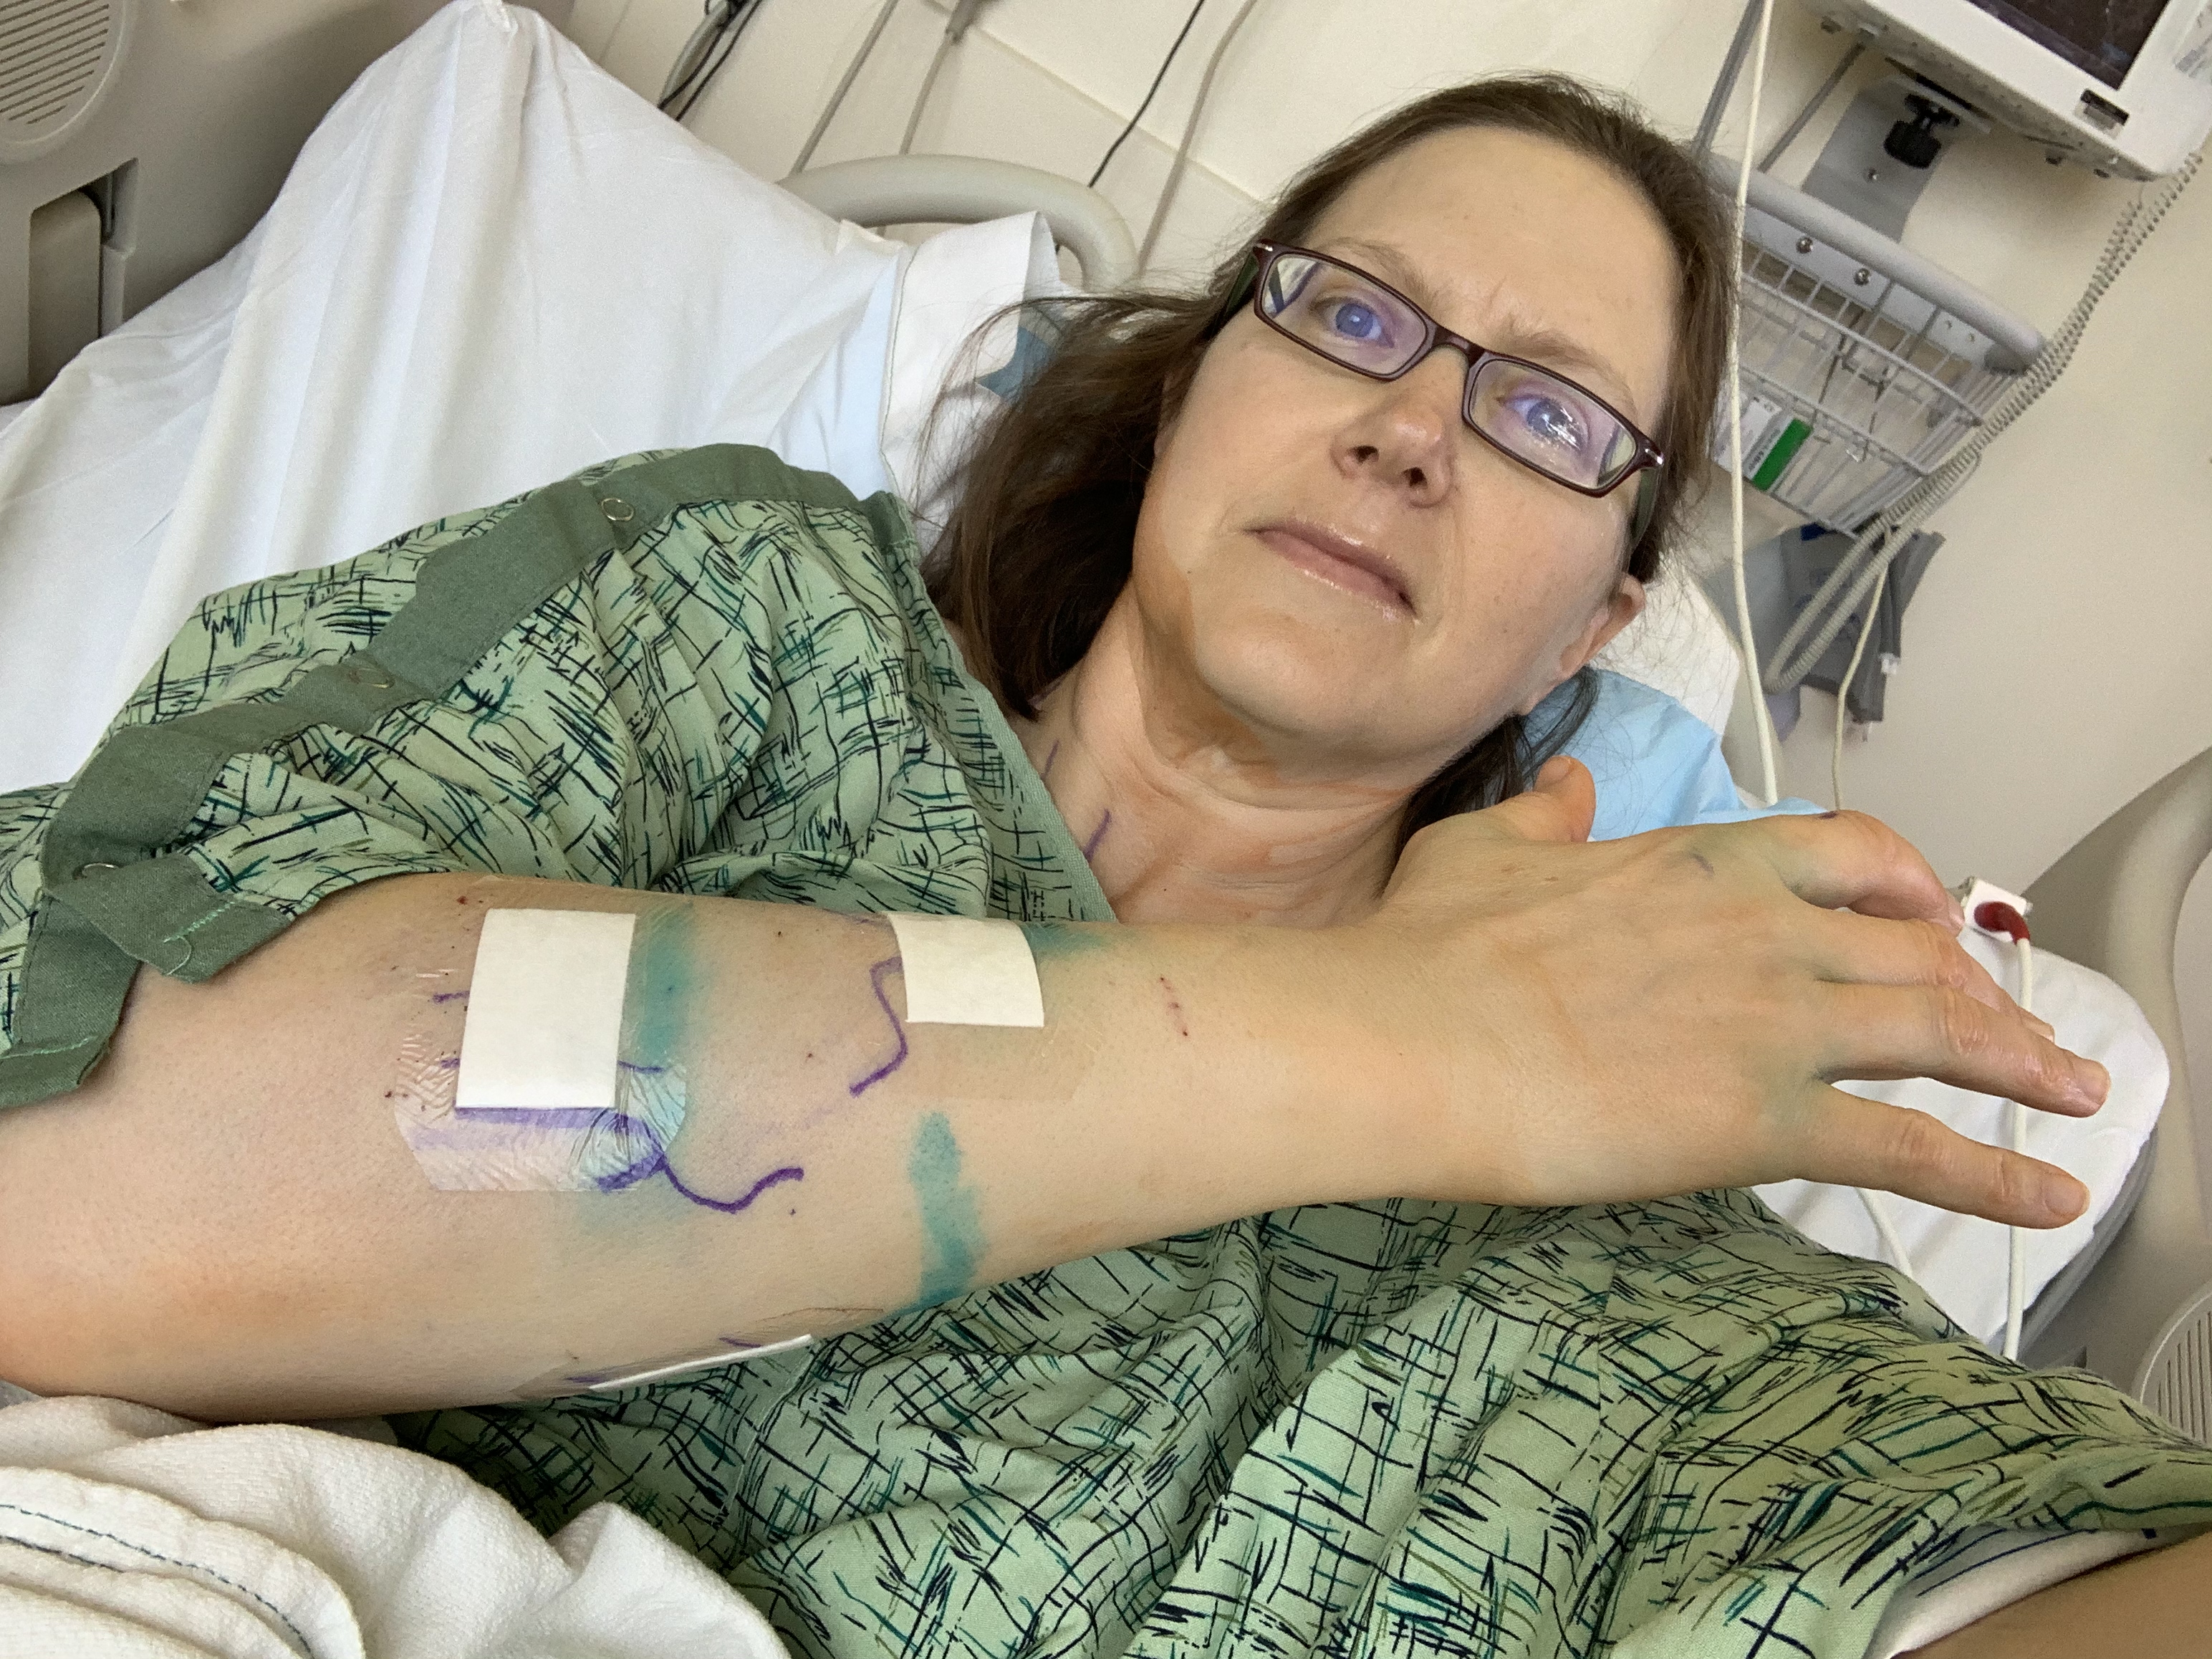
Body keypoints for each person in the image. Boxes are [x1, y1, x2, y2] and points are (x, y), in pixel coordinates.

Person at [0, 71, 2205, 1659]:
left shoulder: (1615, 1201)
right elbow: (82, 1161)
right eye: (1351, 310)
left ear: (1598, 625)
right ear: (1193, 381)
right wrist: (1393, 1039)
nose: (1411, 429)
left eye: (1548, 414)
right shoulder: (749, 621)